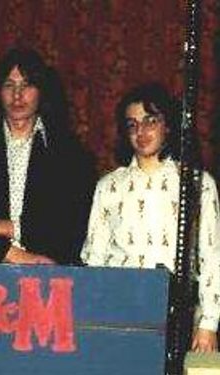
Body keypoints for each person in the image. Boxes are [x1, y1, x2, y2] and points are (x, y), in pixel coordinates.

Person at [81, 83, 220, 352]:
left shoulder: (198, 184)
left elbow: (212, 257)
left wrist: (208, 324)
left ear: (168, 126)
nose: (141, 131)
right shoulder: (109, 186)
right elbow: (95, 259)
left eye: (150, 121)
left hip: (175, 315)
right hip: (119, 313)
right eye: (132, 125)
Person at [0, 47, 95, 264]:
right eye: (9, 85)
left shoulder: (70, 155)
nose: (17, 95)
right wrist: (15, 255)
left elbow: (72, 228)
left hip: (49, 272)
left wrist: (3, 227)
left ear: (41, 91)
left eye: (27, 85)